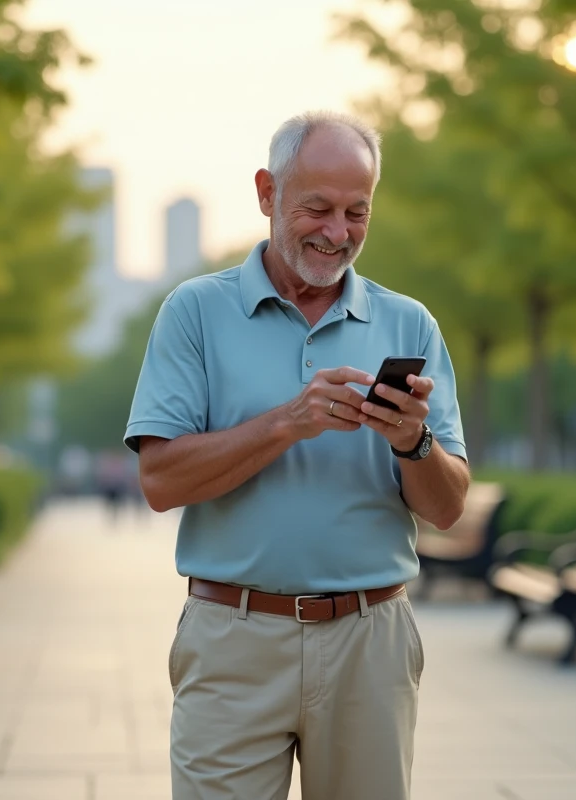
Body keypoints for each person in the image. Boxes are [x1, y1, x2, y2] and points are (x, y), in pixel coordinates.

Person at [124, 110, 470, 800]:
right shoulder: (194, 312)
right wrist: (287, 421)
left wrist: (413, 441)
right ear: (266, 194)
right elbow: (160, 481)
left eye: (356, 212)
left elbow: (448, 507)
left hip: (371, 643)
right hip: (232, 638)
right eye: (316, 208)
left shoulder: (410, 324)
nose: (337, 233)